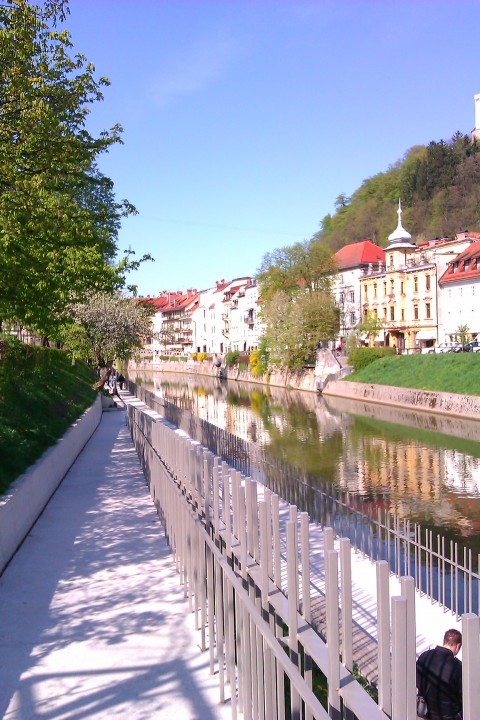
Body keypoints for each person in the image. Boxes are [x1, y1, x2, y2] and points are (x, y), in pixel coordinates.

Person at [416, 628, 463, 720]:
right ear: (458, 646)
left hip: (427, 712)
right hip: (450, 716)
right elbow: (462, 695)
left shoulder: (424, 656)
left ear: (444, 641)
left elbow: (418, 682)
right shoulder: (457, 666)